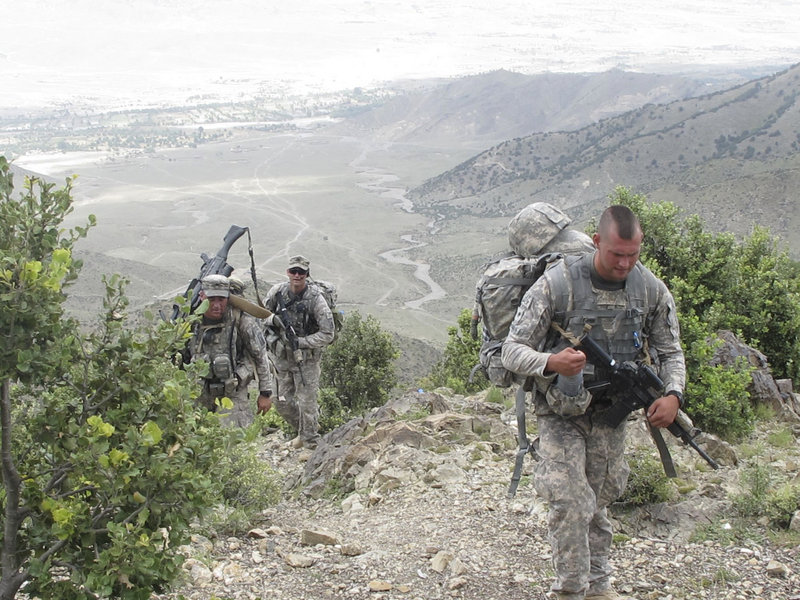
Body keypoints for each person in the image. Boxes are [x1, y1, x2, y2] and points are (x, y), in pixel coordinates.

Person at [501, 205, 685, 600]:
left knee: (599, 501)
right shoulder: (558, 284)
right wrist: (551, 362)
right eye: (616, 254)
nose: (624, 263)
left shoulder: (650, 289)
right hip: (561, 411)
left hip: (611, 415)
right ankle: (569, 591)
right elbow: (512, 350)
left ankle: (598, 587)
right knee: (570, 502)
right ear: (597, 241)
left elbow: (671, 352)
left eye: (633, 255)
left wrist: (672, 395)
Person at [264, 255, 335, 449]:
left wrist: (302, 342)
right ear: (288, 272)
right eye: (293, 271)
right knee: (281, 402)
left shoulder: (315, 299)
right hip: (282, 358)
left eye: (301, 272)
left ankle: (311, 443)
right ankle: (303, 432)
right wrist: (272, 322)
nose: (297, 275)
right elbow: (261, 316)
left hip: (307, 360)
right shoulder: (276, 293)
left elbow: (328, 333)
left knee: (307, 403)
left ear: (307, 274)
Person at [187, 274, 274, 427]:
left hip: (233, 391)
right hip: (200, 393)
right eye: (211, 299)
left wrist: (265, 393)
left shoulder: (241, 320)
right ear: (202, 296)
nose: (216, 305)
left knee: (233, 442)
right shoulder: (191, 322)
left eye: (221, 299)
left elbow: (260, 356)